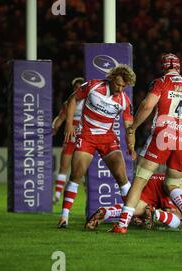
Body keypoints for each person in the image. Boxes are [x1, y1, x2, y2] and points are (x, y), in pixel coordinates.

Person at [112, 53, 182, 234]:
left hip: (161, 137)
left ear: (163, 67)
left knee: (139, 182)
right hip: (181, 141)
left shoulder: (161, 82)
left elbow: (148, 105)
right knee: (172, 184)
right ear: (179, 68)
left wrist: (133, 126)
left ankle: (122, 225)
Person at [57, 65, 137, 228]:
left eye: (123, 86)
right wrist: (68, 124)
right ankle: (64, 217)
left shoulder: (124, 101)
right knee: (76, 175)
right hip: (87, 136)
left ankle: (130, 217)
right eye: (118, 84)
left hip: (107, 138)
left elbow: (129, 126)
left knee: (122, 178)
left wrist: (131, 145)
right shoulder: (93, 86)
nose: (120, 88)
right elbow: (72, 100)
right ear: (112, 78)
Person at [85, 174, 182, 231]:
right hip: (167, 187)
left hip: (146, 180)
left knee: (132, 207)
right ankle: (155, 214)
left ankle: (108, 212)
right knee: (178, 222)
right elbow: (171, 210)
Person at [52, 77, 85, 204]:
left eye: (80, 87)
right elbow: (60, 118)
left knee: (84, 169)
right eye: (76, 88)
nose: (78, 90)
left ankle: (90, 197)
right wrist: (54, 128)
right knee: (64, 167)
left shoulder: (91, 101)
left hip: (84, 138)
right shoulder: (68, 103)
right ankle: (56, 196)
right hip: (70, 138)